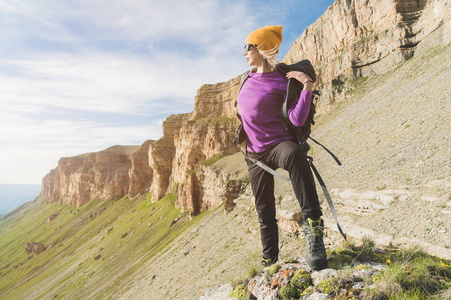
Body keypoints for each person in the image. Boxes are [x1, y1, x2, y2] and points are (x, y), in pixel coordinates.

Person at [236, 25, 327, 270]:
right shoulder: (246, 78)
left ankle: (315, 235)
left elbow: (297, 119)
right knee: (264, 208)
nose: (244, 52)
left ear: (261, 48)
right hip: (255, 153)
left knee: (296, 155)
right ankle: (269, 260)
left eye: (248, 47)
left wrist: (306, 84)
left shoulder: (281, 81)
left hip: (278, 144)